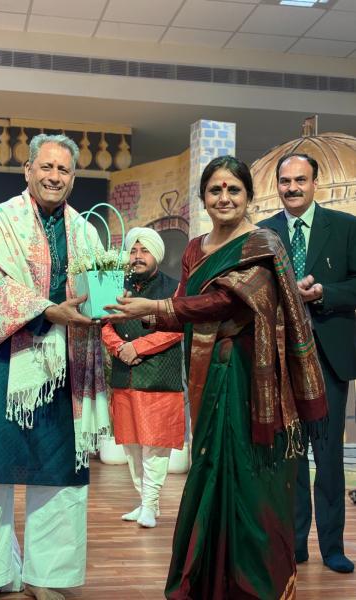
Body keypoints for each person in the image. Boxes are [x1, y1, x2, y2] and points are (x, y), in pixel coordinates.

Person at [103, 155, 327, 599]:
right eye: (215, 190)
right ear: (203, 198)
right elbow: (186, 307)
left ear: (248, 196)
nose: (224, 198)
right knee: (209, 469)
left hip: (250, 376)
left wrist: (157, 307)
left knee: (250, 475)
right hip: (207, 373)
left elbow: (226, 303)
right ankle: (206, 579)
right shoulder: (194, 249)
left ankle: (255, 583)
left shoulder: (261, 244)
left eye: (233, 190)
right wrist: (141, 314)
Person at [0, 134, 110, 600]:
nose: (54, 177)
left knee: (59, 473)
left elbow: (98, 292)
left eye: (64, 170)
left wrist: (104, 304)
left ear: (73, 178)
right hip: (1, 362)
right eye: (47, 167)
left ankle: (47, 577)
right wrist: (48, 309)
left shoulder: (85, 231)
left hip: (64, 366)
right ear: (28, 170)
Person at [259, 153, 356, 574]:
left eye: (300, 180)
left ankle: (332, 547)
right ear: (277, 186)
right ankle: (294, 545)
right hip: (282, 358)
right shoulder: (263, 233)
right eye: (285, 181)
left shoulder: (346, 227)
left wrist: (324, 293)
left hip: (328, 356)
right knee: (292, 454)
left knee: (328, 454)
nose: (292, 187)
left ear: (316, 183)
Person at [102, 227, 184, 528]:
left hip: (159, 378)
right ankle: (145, 502)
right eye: (133, 251)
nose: (138, 257)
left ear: (156, 255)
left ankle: (150, 504)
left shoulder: (174, 288)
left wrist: (137, 347)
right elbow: (104, 322)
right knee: (132, 444)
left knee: (155, 444)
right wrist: (119, 348)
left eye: (144, 251)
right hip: (125, 376)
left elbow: (177, 328)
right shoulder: (115, 285)